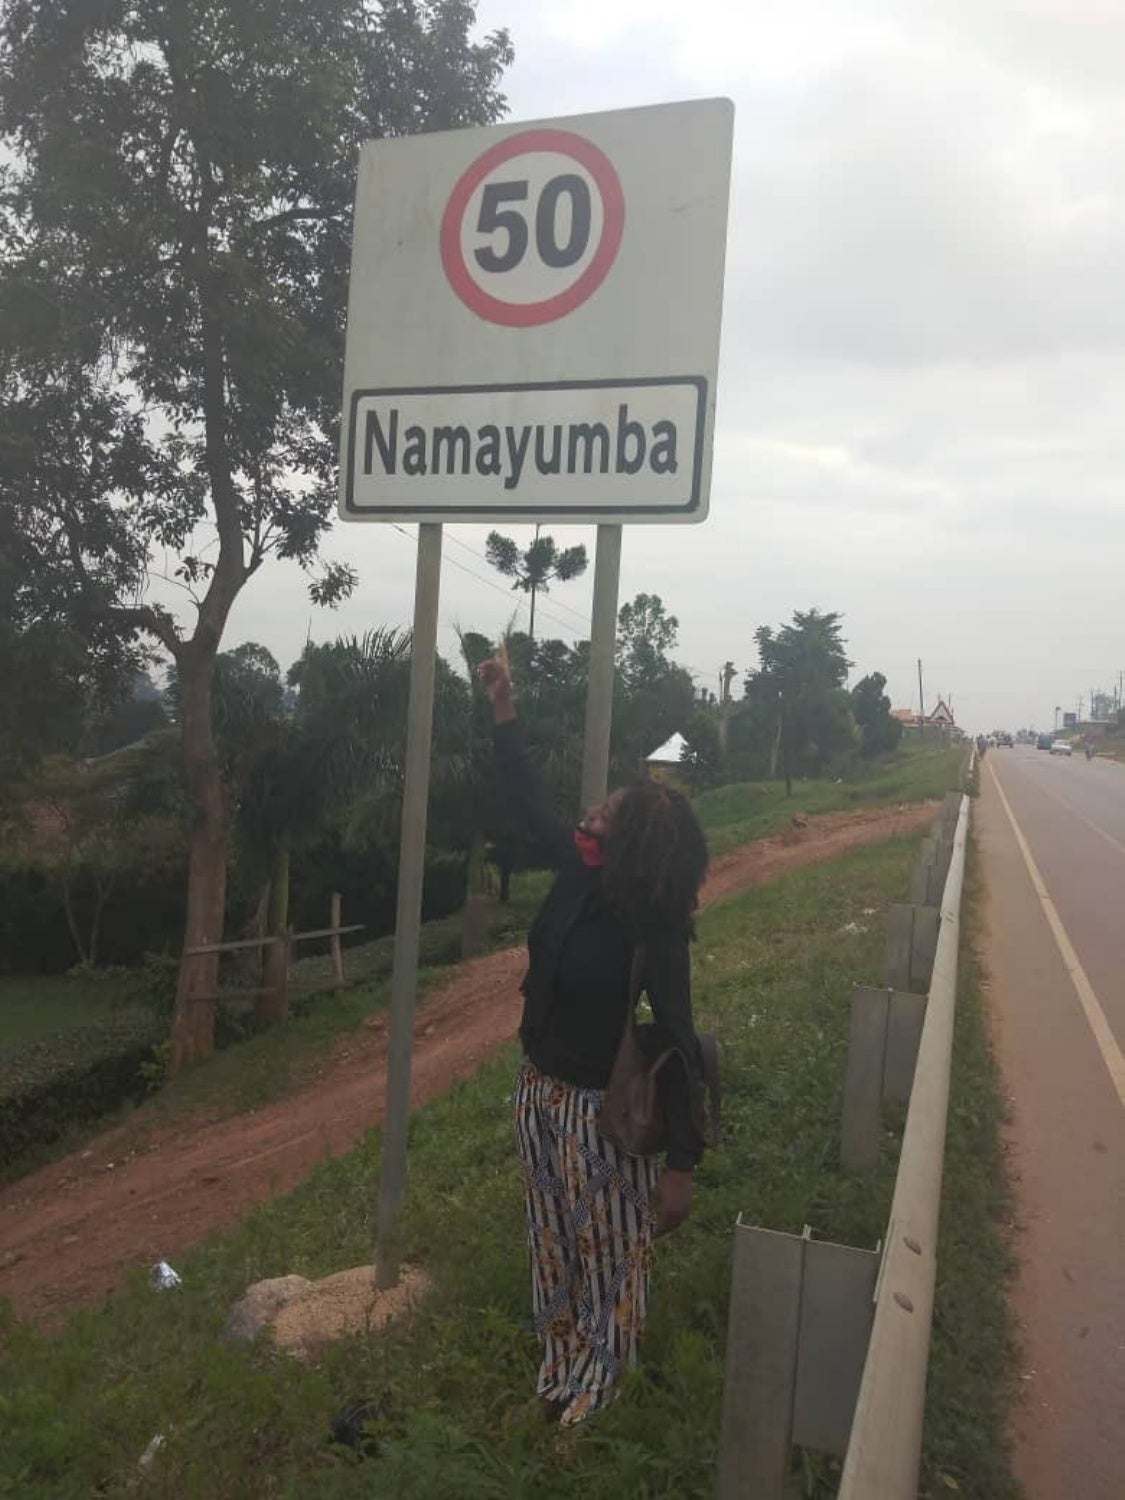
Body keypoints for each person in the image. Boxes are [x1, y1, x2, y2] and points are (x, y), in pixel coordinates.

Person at [476, 650, 709, 1429]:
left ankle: (595, 1402)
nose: (588, 818)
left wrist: (680, 1166)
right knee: (551, 1247)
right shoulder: (576, 872)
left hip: (598, 1112)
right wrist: (503, 705)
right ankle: (556, 1379)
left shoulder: (654, 926)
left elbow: (676, 1037)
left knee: (608, 1257)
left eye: (605, 815)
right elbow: (526, 797)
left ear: (632, 842)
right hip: (537, 1092)